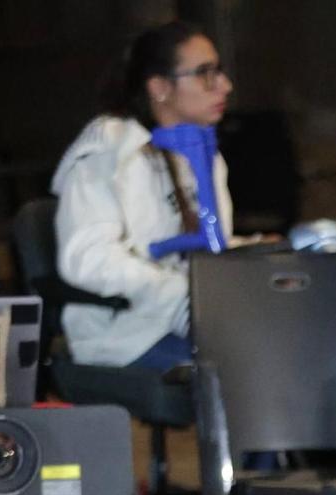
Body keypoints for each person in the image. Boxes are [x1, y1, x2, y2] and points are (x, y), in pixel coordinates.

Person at [51, 20, 241, 371]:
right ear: (160, 87)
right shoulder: (110, 150)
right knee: (247, 371)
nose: (224, 86)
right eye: (205, 74)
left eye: (221, 72)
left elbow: (209, 248)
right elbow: (88, 259)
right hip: (126, 333)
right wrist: (178, 293)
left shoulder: (203, 153)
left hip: (195, 317)